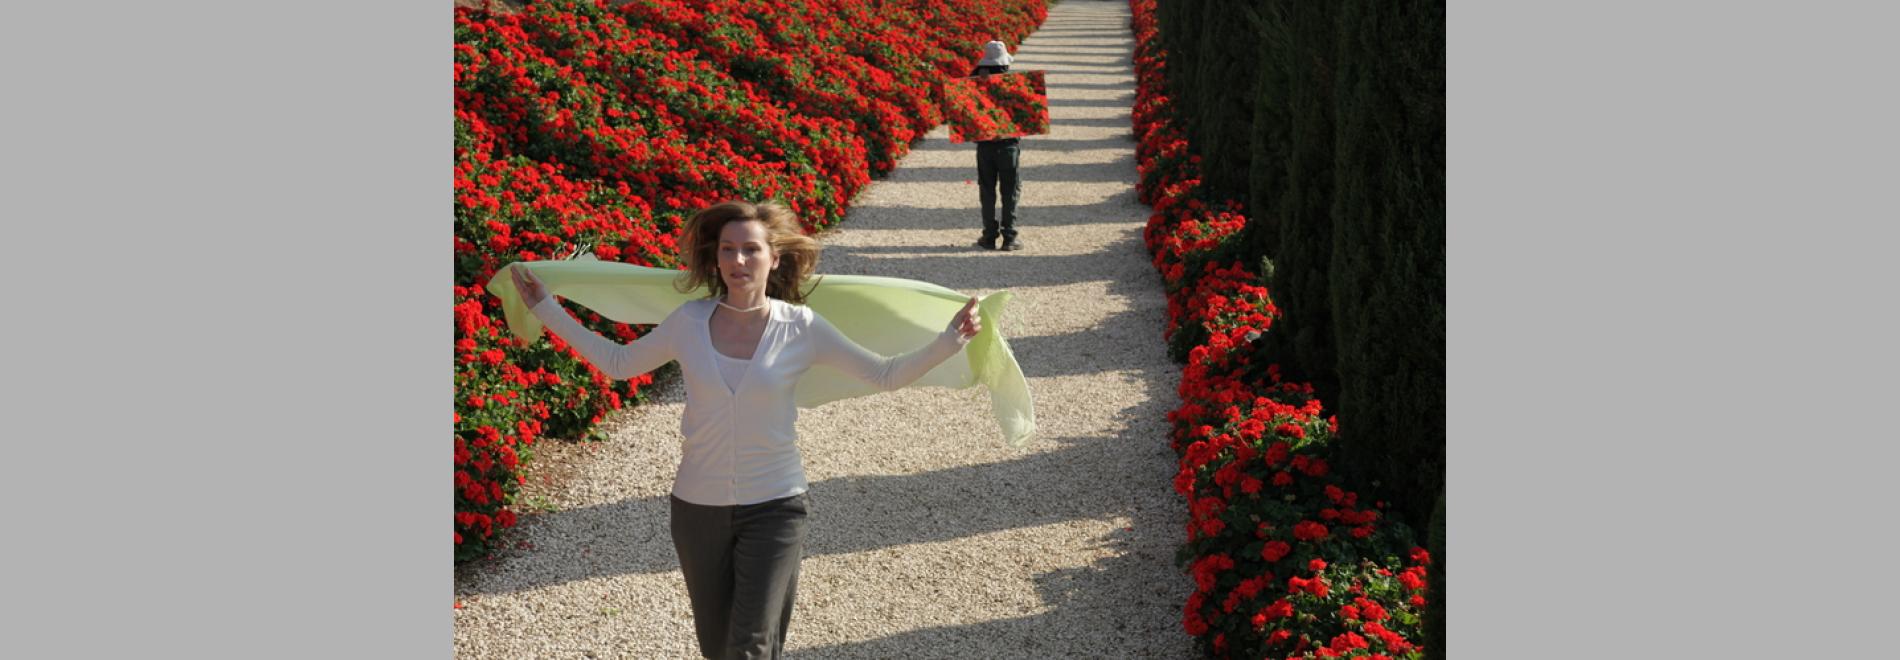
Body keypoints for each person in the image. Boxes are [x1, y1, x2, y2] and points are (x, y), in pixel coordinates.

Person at [507, 200, 982, 660]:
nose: (739, 259)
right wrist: (546, 307)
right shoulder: (689, 322)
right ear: (716, 259)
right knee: (718, 648)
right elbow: (617, 362)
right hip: (697, 508)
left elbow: (883, 373)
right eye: (728, 249)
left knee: (750, 646)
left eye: (751, 249)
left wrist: (950, 340)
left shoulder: (801, 326)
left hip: (776, 505)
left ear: (774, 259)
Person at [970, 39, 1024, 251]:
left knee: (987, 189)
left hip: (985, 146)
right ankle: (1010, 237)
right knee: (1010, 189)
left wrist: (979, 74)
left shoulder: (975, 82)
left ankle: (989, 235)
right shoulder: (1014, 82)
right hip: (1008, 145)